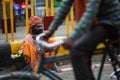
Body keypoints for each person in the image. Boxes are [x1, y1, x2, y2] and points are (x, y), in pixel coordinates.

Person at [44, 0, 120, 80]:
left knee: (76, 51)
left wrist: (72, 37)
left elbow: (90, 13)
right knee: (84, 59)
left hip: (111, 23)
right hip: (97, 23)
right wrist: (50, 30)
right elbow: (64, 7)